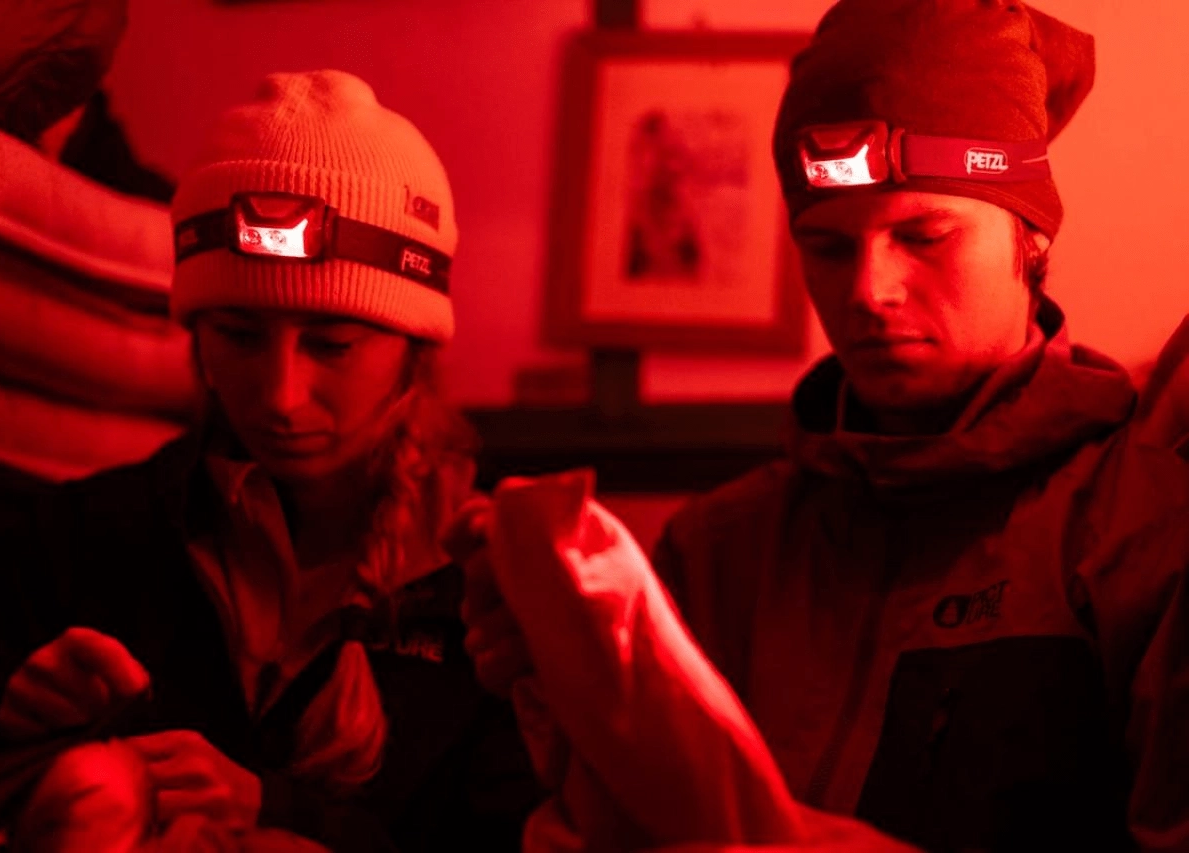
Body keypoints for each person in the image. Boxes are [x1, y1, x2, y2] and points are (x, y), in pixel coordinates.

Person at [460, 2, 1189, 850]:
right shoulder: (718, 549)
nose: (868, 291)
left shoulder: (1139, 532)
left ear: (1030, 237)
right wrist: (562, 706)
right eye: (829, 248)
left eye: (923, 235)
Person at [0, 70, 541, 851]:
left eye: (332, 345)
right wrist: (9, 729)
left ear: (415, 348)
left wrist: (280, 811)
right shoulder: (80, 539)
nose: (281, 395)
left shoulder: (494, 579)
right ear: (196, 333)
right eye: (240, 336)